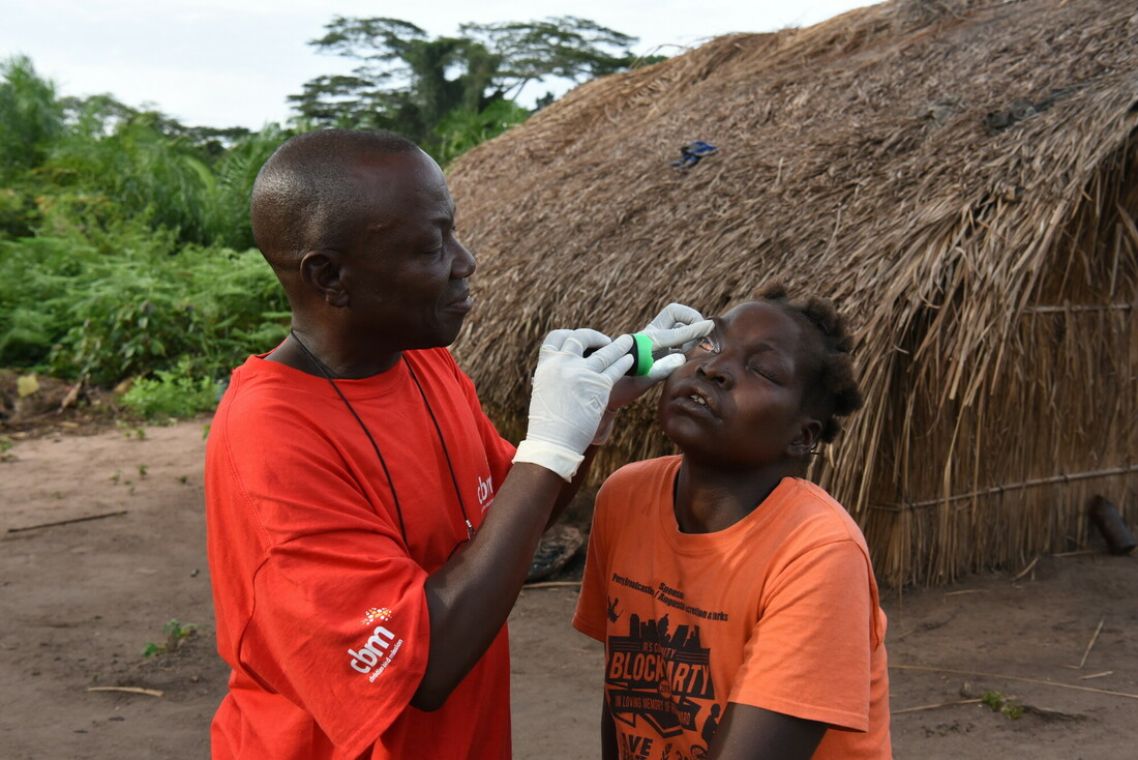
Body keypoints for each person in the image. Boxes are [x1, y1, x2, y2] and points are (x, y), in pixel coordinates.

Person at [204, 128, 711, 759]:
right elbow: (425, 665)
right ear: (330, 276)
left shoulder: (424, 365)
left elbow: (516, 519)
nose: (465, 260)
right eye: (431, 244)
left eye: (454, 231)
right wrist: (550, 445)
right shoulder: (272, 436)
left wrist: (592, 418)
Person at [573, 285, 892, 760]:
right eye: (709, 341)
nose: (713, 368)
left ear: (802, 437)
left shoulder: (818, 551)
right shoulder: (624, 497)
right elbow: (627, 699)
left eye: (761, 370)